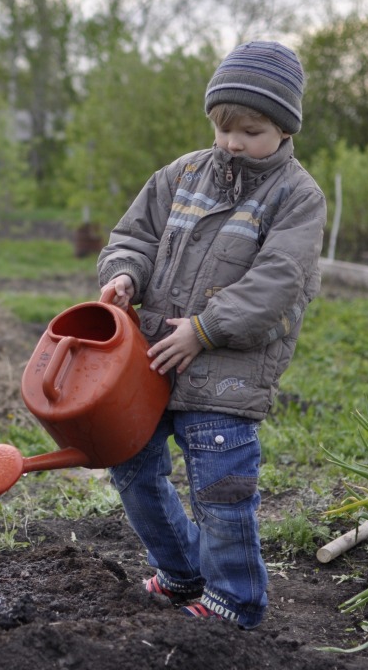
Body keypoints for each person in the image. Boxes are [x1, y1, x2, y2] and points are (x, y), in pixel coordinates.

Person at [96, 41, 325, 629]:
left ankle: (236, 600)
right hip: (153, 361)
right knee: (132, 467)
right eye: (224, 128)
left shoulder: (297, 197)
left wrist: (204, 330)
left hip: (229, 370)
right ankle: (181, 573)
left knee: (221, 491)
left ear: (283, 127)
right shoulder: (182, 174)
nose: (232, 143)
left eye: (249, 131)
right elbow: (135, 235)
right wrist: (124, 275)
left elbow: (280, 281)